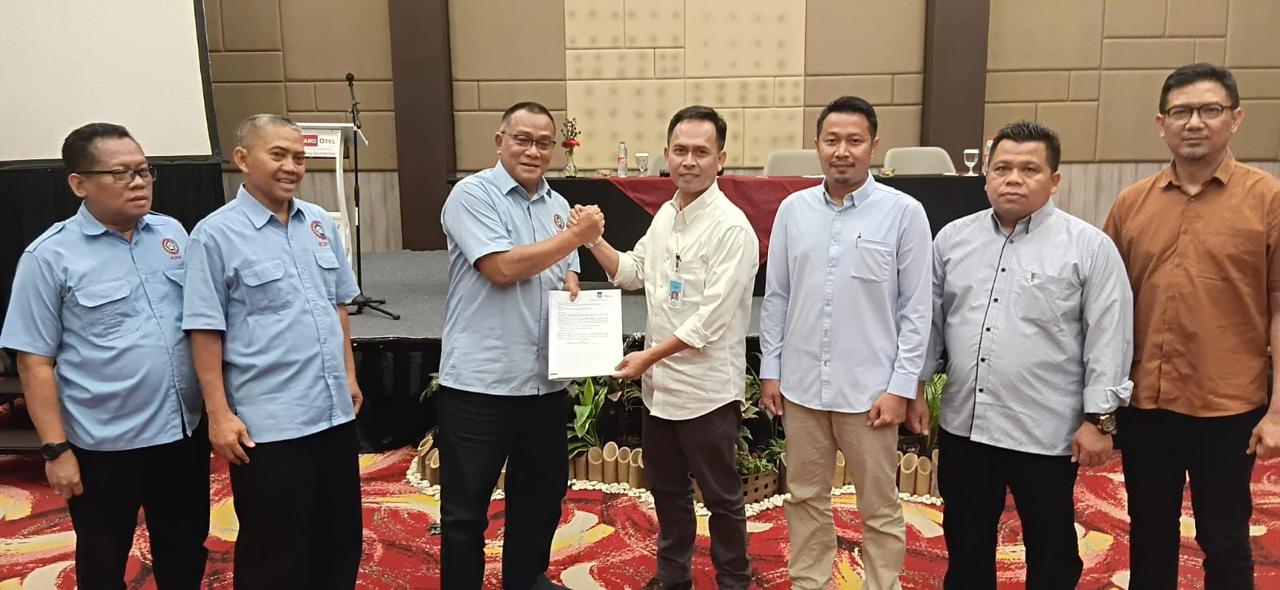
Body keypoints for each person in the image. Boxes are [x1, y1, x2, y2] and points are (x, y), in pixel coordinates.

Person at [924, 120, 1134, 589]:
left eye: (1029, 169)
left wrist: (1099, 420)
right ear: (986, 176)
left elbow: (1110, 337)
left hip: (1045, 431)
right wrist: (918, 387)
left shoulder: (1089, 248)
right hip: (967, 426)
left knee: (1051, 547)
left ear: (1054, 180)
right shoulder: (952, 240)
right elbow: (932, 323)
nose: (1012, 179)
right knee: (966, 542)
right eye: (1002, 168)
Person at [0, 123, 208, 588]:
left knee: (184, 547)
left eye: (144, 171)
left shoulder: (172, 233)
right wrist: (56, 450)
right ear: (80, 184)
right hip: (103, 445)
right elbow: (34, 361)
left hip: (181, 433)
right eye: (121, 174)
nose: (139, 183)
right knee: (103, 555)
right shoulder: (49, 256)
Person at [1103, 63, 1280, 590]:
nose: (1195, 122)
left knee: (1224, 536)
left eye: (1210, 110)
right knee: (1148, 530)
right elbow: (1105, 308)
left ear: (1235, 118)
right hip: (1146, 403)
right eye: (1181, 112)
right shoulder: (1132, 203)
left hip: (1227, 405)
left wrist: (1278, 413)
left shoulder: (1268, 200)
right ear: (1162, 124)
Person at [577, 105, 758, 590]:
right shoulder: (666, 215)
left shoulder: (731, 228)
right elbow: (633, 272)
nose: (689, 161)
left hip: (706, 391)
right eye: (680, 150)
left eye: (701, 151)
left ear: (721, 159)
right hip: (660, 390)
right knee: (667, 489)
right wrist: (593, 241)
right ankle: (673, 576)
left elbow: (709, 322)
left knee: (721, 497)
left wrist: (648, 357)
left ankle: (734, 580)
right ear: (666, 154)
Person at [182, 114, 364, 589]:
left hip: (332, 414)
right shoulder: (214, 235)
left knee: (339, 540)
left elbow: (338, 305)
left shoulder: (319, 223)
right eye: (278, 155)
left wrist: (349, 376)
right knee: (275, 553)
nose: (292, 167)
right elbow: (204, 329)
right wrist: (218, 414)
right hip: (270, 425)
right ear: (243, 159)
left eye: (299, 157)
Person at [758, 96, 931, 590]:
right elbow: (777, 296)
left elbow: (917, 309)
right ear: (817, 144)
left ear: (874, 146)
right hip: (802, 388)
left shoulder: (904, 213)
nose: (842, 151)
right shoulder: (792, 210)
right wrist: (771, 369)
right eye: (831, 140)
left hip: (870, 393)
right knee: (804, 498)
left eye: (854, 141)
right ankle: (809, 582)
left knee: (879, 505)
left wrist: (900, 388)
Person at [437, 101, 603, 590]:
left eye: (544, 143)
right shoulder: (472, 195)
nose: (533, 151)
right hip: (481, 383)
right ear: (499, 141)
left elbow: (564, 270)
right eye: (522, 140)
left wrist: (572, 277)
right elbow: (502, 268)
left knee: (539, 503)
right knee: (466, 512)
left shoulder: (558, 206)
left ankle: (525, 582)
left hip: (543, 384)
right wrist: (576, 237)